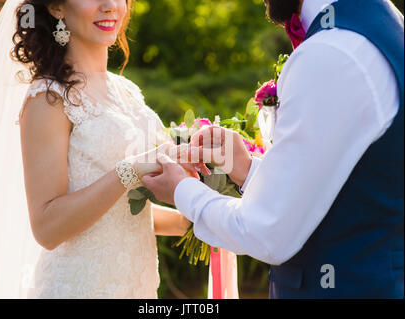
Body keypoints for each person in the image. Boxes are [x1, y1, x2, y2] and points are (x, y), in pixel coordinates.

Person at [142, 0, 404, 298]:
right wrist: (249, 169)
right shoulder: (382, 27)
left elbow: (267, 232)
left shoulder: (331, 52)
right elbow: (346, 190)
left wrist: (182, 190)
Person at [0, 0, 205, 298]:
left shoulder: (126, 92)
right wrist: (129, 171)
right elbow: (47, 227)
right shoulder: (47, 98)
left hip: (138, 289)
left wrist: (198, 219)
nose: (110, 6)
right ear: (57, 8)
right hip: (78, 288)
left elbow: (122, 215)